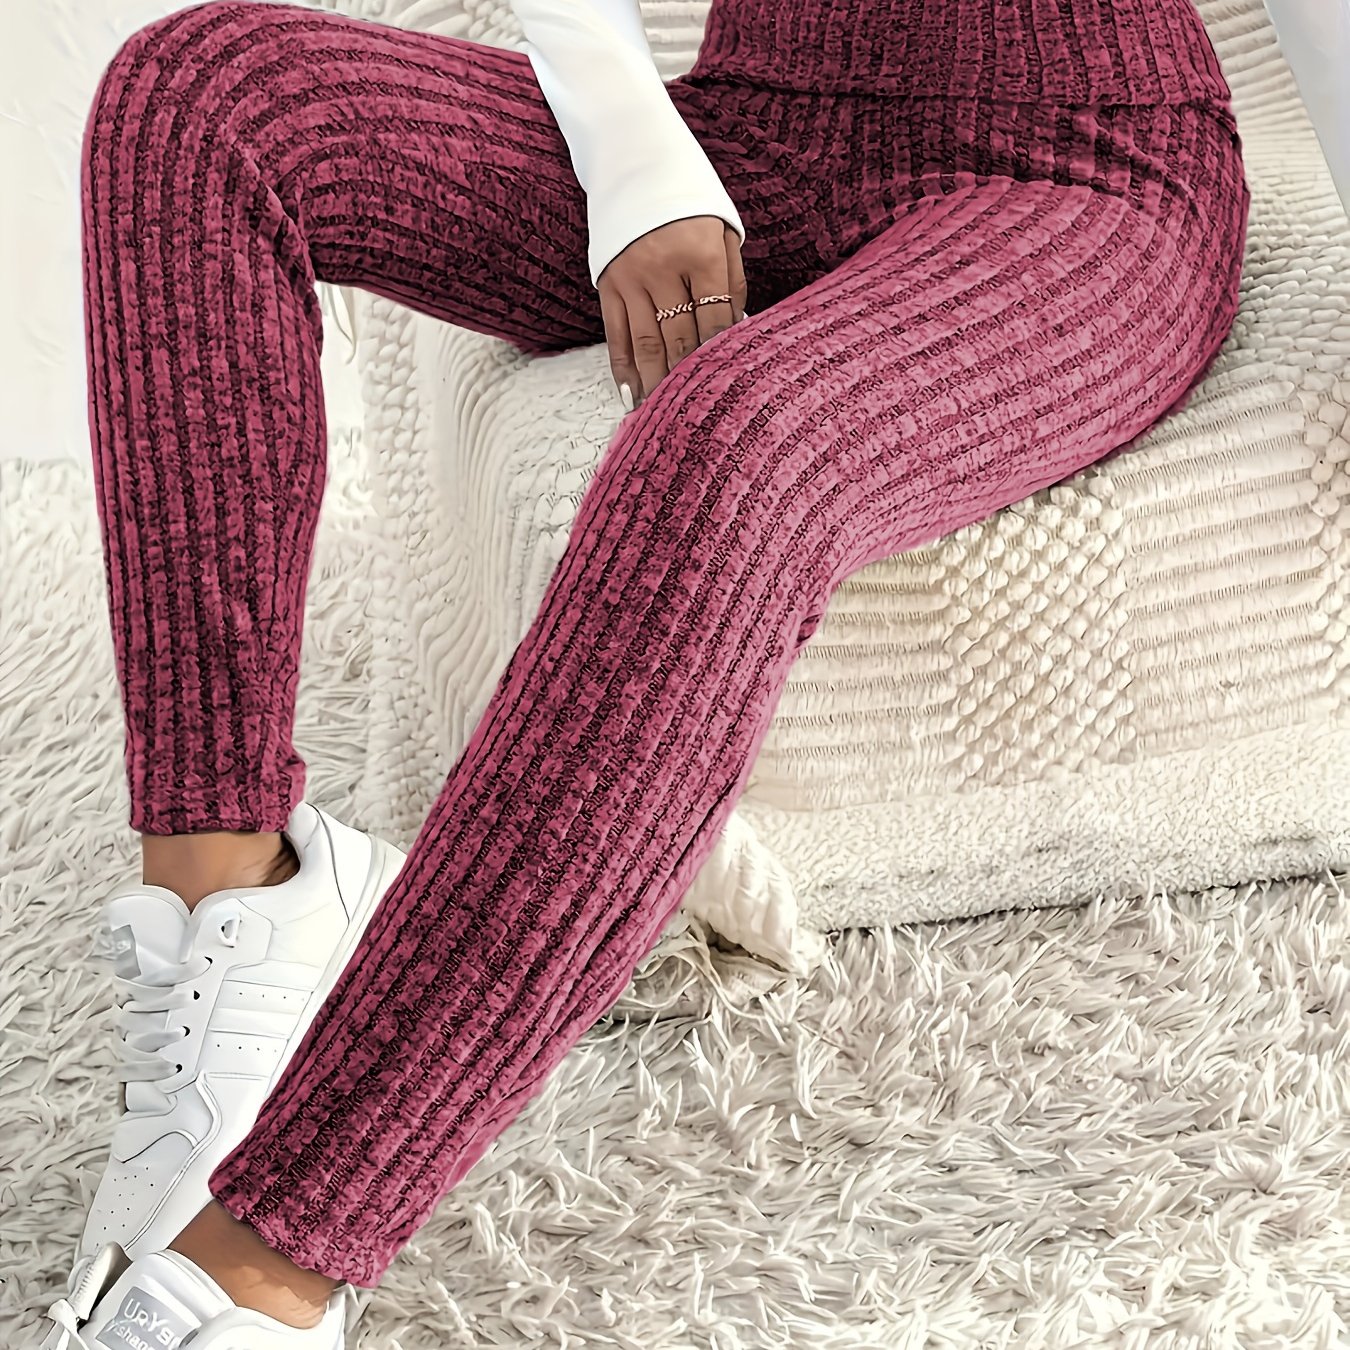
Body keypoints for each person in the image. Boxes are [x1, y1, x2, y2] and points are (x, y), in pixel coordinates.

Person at [42, 0, 1251, 1343]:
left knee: (728, 444)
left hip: (1080, 170)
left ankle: (265, 1266)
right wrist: (639, 159)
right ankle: (237, 899)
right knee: (198, 100)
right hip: (755, 119)